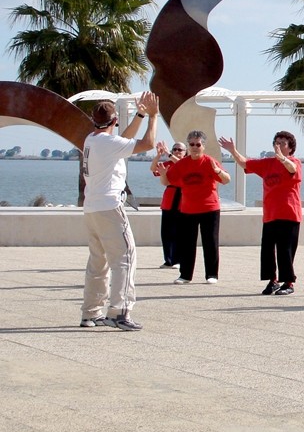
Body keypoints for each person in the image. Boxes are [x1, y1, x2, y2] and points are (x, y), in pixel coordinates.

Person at [79, 92, 159, 331]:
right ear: (114, 121)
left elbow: (123, 141)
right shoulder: (108, 143)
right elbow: (148, 144)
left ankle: (90, 313)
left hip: (92, 208)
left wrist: (141, 114)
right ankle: (119, 312)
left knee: (98, 263)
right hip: (109, 207)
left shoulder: (92, 140)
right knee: (125, 259)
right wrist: (153, 117)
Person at [218, 132, 303, 296]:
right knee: (268, 249)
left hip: (289, 213)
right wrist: (233, 150)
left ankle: (289, 282)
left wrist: (282, 158)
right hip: (270, 214)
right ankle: (273, 280)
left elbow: (292, 169)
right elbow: (245, 163)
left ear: (290, 147)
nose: (278, 146)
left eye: (283, 143)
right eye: (276, 143)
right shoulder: (267, 164)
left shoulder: (294, 162)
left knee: (285, 249)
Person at [161, 130, 230, 285]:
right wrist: (163, 174)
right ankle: (185, 275)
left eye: (198, 144)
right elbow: (166, 182)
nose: (194, 147)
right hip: (187, 210)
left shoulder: (210, 161)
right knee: (187, 243)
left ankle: (212, 274)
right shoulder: (182, 164)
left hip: (210, 208)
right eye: (191, 144)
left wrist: (218, 171)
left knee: (210, 242)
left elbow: (226, 180)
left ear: (203, 146)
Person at [150, 140, 185, 269]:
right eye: (174, 149)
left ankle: (178, 259)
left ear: (185, 152)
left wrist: (168, 153)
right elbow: (153, 169)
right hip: (170, 197)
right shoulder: (168, 164)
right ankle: (168, 260)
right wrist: (158, 155)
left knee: (179, 231)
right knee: (166, 231)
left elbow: (181, 164)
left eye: (179, 149)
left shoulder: (186, 163)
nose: (176, 151)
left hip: (182, 198)